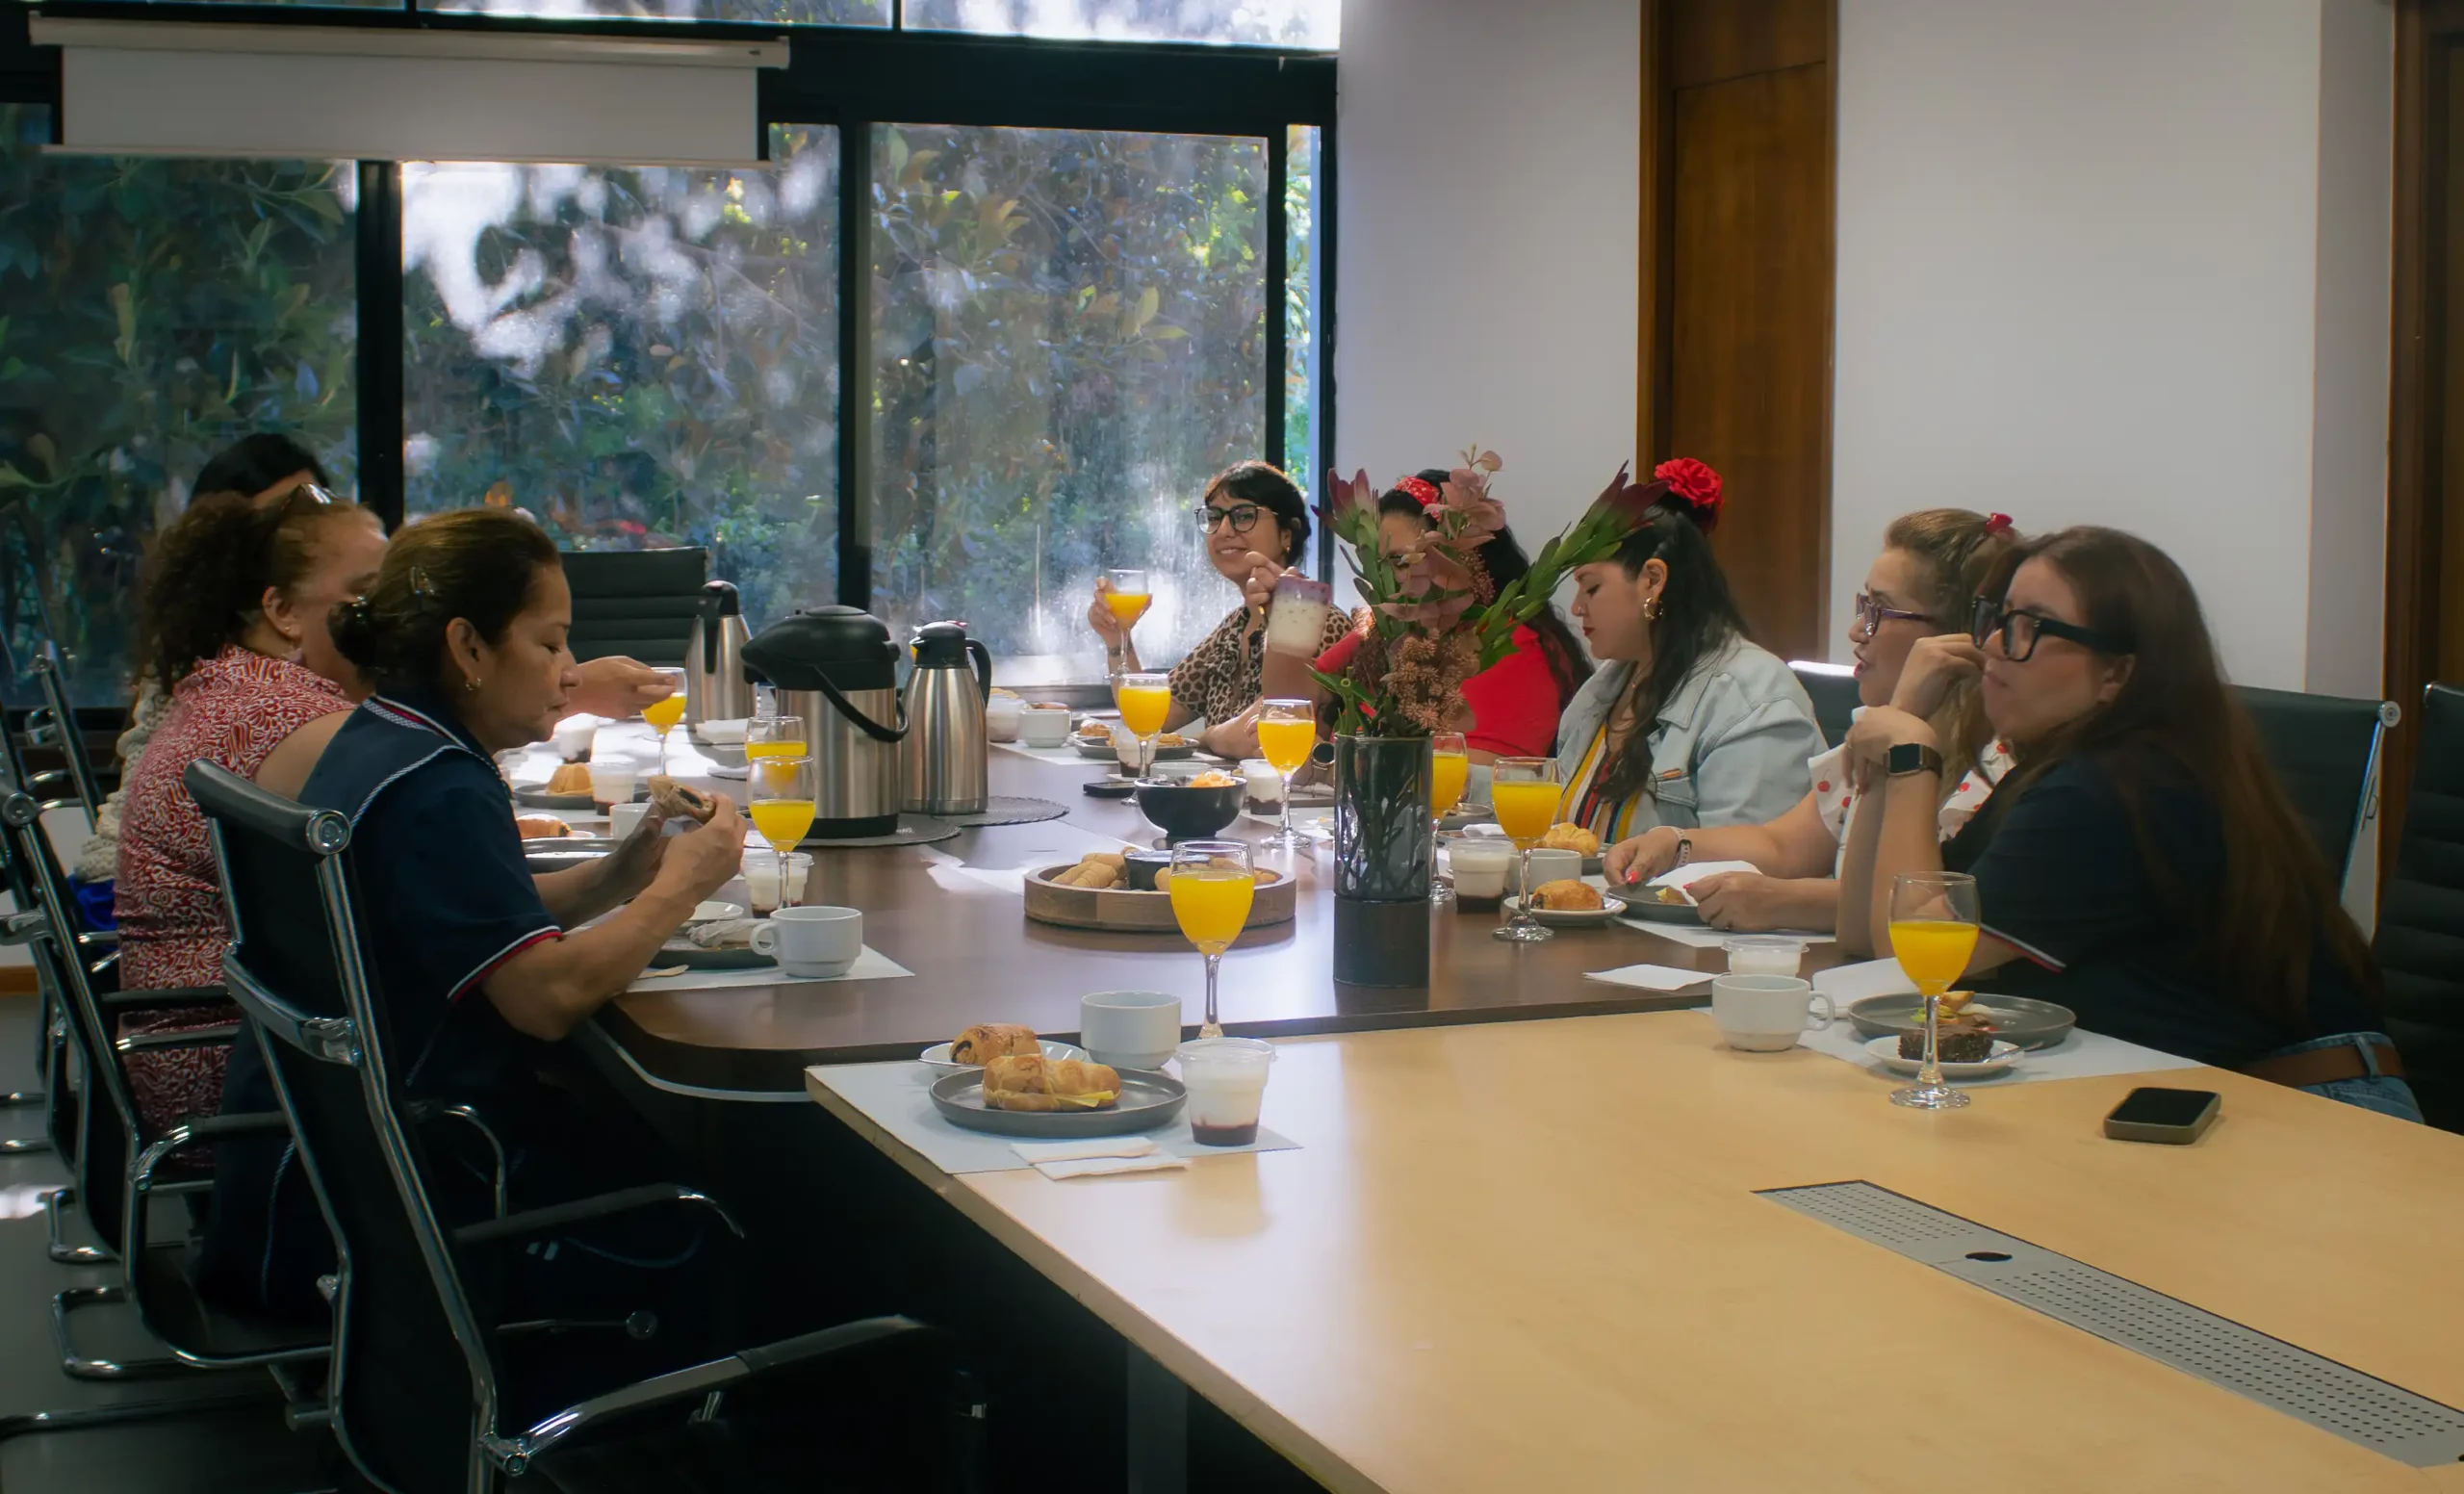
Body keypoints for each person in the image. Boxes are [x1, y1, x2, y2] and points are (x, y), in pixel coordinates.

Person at [203, 509, 753, 1395]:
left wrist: (626, 867)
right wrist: (680, 890)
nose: (570, 672)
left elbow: (470, 912)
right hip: (405, 1212)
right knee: (727, 1214)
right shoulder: (441, 786)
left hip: (309, 1185)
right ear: (467, 648)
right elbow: (541, 996)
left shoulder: (385, 736)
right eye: (550, 642)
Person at [1836, 527, 2419, 1120]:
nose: (1991, 646)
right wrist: (1898, 726)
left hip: (2316, 1108)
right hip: (2196, 1096)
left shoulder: (2117, 786)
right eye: (1997, 617)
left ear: (2116, 674)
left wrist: (1913, 756)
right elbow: (1865, 929)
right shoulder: (2057, 774)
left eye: (2029, 628)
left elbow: (1913, 960)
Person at [112, 486, 389, 1136]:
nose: (392, 616)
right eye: (369, 594)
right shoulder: (290, 717)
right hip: (249, 1071)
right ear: (284, 610)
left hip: (200, 1047)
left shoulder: (234, 685)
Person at [1603, 509, 2021, 929]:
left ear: (1957, 636)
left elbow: (1928, 913)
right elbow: (1783, 845)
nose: (1857, 630)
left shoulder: (1999, 768)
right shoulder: (1871, 732)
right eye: (1864, 605)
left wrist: (1785, 900)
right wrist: (1676, 843)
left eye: (1881, 611)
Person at [1553, 459, 1822, 840]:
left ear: (1652, 579)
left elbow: (1743, 871)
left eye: (1591, 587)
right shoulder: (1606, 686)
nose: (1578, 606)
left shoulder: (1752, 696)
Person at [1277, 470, 1592, 760]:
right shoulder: (1383, 632)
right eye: (1380, 564)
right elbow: (1284, 706)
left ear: (1464, 559)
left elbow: (1473, 778)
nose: (1388, 581)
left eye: (1402, 560)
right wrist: (1287, 616)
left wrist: (1324, 761)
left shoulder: (1510, 643)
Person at [1086, 461, 1351, 759]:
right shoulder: (1234, 627)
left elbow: (1269, 724)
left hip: (1295, 800)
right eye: (1214, 517)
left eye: (1244, 516)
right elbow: (1152, 716)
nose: (1223, 530)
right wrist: (1117, 638)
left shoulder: (1316, 617)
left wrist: (1207, 738)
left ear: (1287, 534)